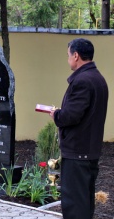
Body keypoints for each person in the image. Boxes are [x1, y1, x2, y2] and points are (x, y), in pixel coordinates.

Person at [49, 38, 108, 219]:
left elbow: (72, 116)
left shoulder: (82, 80)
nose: (67, 59)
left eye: (68, 55)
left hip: (77, 153)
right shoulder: (98, 78)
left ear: (76, 56)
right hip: (88, 151)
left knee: (75, 205)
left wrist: (56, 115)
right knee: (84, 203)